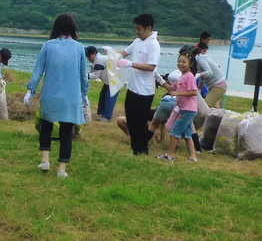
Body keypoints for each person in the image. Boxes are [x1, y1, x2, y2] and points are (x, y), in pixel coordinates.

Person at [23, 14, 88, 177]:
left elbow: (38, 70)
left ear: (56, 28)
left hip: (50, 94)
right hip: (71, 97)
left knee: (46, 127)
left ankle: (45, 161)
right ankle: (61, 170)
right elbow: (82, 74)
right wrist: (84, 93)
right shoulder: (79, 47)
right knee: (66, 132)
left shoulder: (47, 45)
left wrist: (30, 90)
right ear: (73, 28)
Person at [114, 13, 160, 155]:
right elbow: (124, 52)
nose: (137, 31)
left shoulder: (153, 44)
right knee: (132, 121)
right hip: (133, 87)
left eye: (139, 29)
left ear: (148, 28)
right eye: (136, 28)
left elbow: (151, 66)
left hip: (144, 91)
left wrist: (130, 64)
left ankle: (142, 149)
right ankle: (135, 149)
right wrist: (110, 52)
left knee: (140, 122)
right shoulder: (137, 41)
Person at [156, 52, 199, 162]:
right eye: (179, 61)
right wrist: (160, 80)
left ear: (191, 64)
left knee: (175, 131)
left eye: (184, 62)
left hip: (187, 110)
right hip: (184, 109)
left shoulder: (189, 77)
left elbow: (194, 92)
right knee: (187, 134)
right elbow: (171, 88)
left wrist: (178, 94)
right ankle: (193, 157)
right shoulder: (181, 76)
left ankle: (169, 155)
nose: (180, 64)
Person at [85, 45, 117, 121]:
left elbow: (95, 75)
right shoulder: (97, 60)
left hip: (114, 81)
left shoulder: (99, 60)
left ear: (95, 53)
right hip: (109, 80)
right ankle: (102, 112)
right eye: (87, 56)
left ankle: (107, 117)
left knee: (109, 98)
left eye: (90, 56)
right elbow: (92, 71)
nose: (88, 58)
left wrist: (83, 76)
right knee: (103, 96)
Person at [194, 42, 227, 108]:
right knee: (212, 108)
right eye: (204, 51)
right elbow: (204, 76)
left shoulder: (200, 59)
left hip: (219, 85)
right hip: (215, 85)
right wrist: (199, 88)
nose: (204, 53)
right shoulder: (200, 59)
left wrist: (198, 75)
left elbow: (209, 72)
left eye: (205, 51)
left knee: (205, 107)